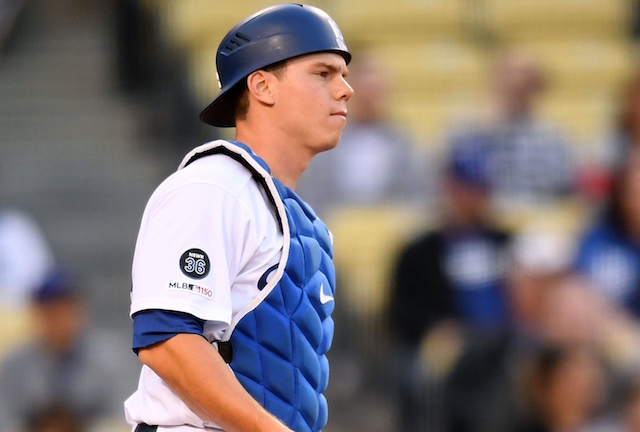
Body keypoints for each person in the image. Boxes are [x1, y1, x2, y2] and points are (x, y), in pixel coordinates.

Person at [124, 4, 353, 432]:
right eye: (323, 73)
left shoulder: (299, 220)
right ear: (262, 85)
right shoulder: (212, 187)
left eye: (343, 74)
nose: (345, 89)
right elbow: (166, 338)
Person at [447, 50, 575, 225]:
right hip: (482, 224)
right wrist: (488, 130)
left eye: (524, 83)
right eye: (509, 80)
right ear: (494, 82)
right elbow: (453, 185)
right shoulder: (465, 132)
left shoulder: (553, 139)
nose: (515, 86)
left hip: (537, 226)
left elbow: (563, 192)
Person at [295, 52, 429, 218]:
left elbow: (416, 195)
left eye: (374, 92)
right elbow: (313, 193)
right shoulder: (325, 140)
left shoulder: (403, 142)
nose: (368, 99)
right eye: (363, 91)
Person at [0, 267, 134, 432]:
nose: (59, 319)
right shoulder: (15, 364)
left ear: (82, 309)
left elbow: (123, 420)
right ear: (37, 313)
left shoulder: (110, 358)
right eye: (51, 310)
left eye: (66, 308)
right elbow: (5, 420)